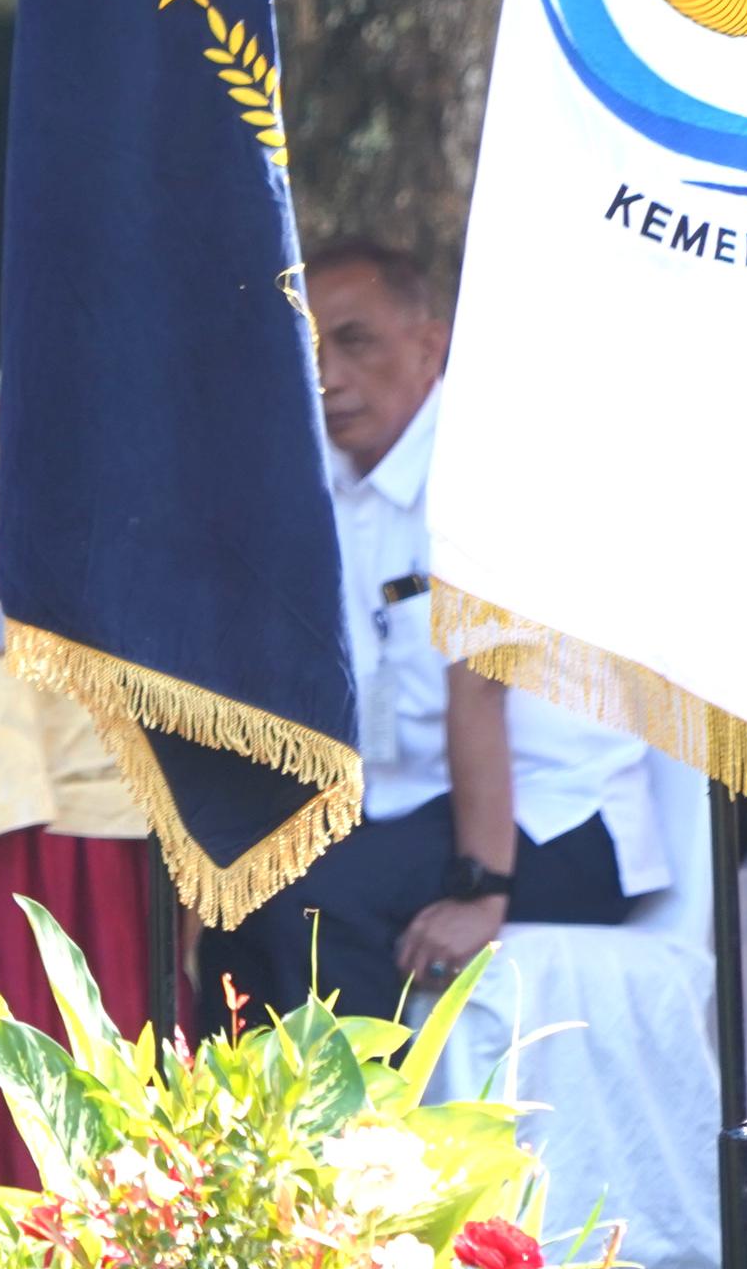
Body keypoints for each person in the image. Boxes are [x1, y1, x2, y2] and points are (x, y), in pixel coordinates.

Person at [197, 238, 665, 1022]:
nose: (326, 376)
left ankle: (370, 1142)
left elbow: (476, 696)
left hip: (560, 820)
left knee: (321, 906)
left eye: (353, 341)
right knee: (233, 901)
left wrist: (481, 891)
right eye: (307, 348)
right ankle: (245, 1144)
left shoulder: (487, 471)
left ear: (429, 344)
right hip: (416, 805)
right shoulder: (335, 486)